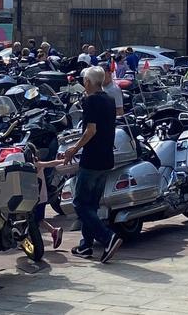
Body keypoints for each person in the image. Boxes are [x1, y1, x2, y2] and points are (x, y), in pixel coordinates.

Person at [62, 65, 124, 263]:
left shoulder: (90, 101)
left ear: (88, 82)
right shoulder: (109, 99)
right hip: (107, 157)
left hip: (92, 158)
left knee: (80, 204)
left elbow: (90, 130)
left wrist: (74, 149)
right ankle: (85, 245)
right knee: (92, 205)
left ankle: (107, 237)